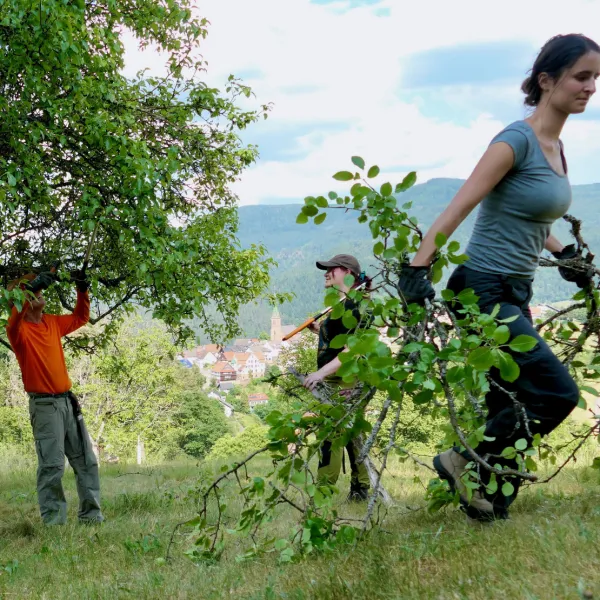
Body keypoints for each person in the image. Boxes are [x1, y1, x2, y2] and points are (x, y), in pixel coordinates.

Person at [397, 33, 600, 522]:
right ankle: (462, 460)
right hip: (481, 287)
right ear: (546, 80)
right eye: (581, 76)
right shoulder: (516, 141)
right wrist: (417, 267)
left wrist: (565, 253)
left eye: (595, 78)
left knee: (506, 398)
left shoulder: (556, 145)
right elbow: (461, 205)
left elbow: (531, 216)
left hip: (515, 288)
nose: (590, 87)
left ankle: (489, 501)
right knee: (556, 395)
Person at [6, 268, 104, 525]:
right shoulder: (19, 332)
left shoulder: (51, 322)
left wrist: (82, 289)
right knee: (52, 467)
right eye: (33, 290)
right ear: (22, 300)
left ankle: (92, 517)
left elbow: (81, 317)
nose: (39, 292)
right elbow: (13, 316)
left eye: (38, 288)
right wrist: (30, 287)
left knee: (86, 461)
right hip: (45, 406)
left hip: (67, 402)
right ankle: (54, 524)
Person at [303, 254, 372, 501]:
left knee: (332, 431)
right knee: (351, 432)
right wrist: (320, 330)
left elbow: (352, 349)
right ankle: (361, 488)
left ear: (347, 272)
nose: (326, 273)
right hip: (338, 377)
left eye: (331, 269)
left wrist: (320, 373)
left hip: (350, 378)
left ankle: (323, 492)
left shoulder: (358, 304)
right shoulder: (342, 303)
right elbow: (339, 341)